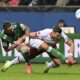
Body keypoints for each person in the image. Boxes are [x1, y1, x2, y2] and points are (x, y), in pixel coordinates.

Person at [1, 26, 75, 74]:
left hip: (52, 46)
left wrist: (70, 55)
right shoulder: (45, 32)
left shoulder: (62, 35)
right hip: (41, 46)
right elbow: (32, 34)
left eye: (60, 36)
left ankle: (48, 66)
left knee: (58, 63)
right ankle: (9, 63)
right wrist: (22, 39)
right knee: (26, 57)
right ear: (53, 33)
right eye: (57, 36)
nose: (59, 37)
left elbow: (71, 44)